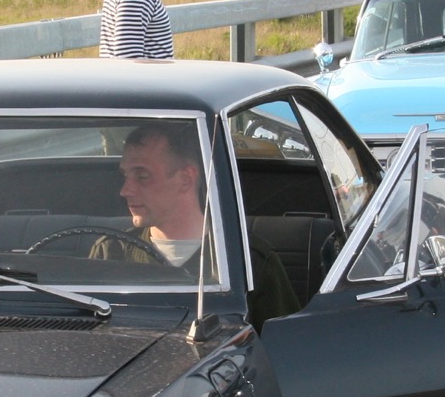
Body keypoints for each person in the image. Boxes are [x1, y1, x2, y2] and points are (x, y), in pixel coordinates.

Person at [89, 121, 298, 329]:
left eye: (142, 176)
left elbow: (284, 343)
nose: (125, 190)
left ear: (186, 178)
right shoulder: (110, 252)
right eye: (125, 176)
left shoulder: (247, 262)